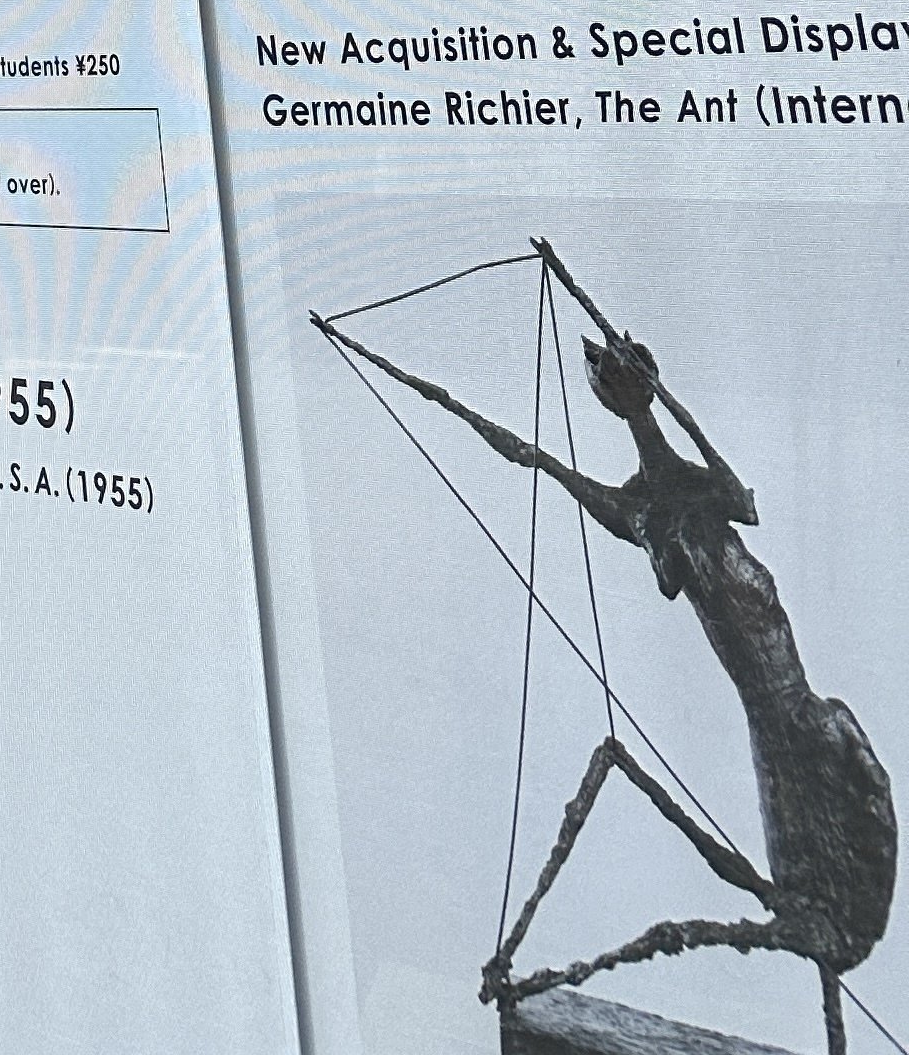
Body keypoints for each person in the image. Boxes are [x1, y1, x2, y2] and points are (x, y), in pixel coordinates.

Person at [324, 240, 895, 1055]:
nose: (614, 384)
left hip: (788, 703)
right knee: (771, 867)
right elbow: (535, 459)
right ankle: (539, 976)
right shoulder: (638, 509)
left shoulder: (697, 488)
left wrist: (656, 402)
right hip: (766, 722)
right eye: (612, 380)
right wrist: (425, 389)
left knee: (812, 796)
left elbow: (737, 494)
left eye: (626, 377)